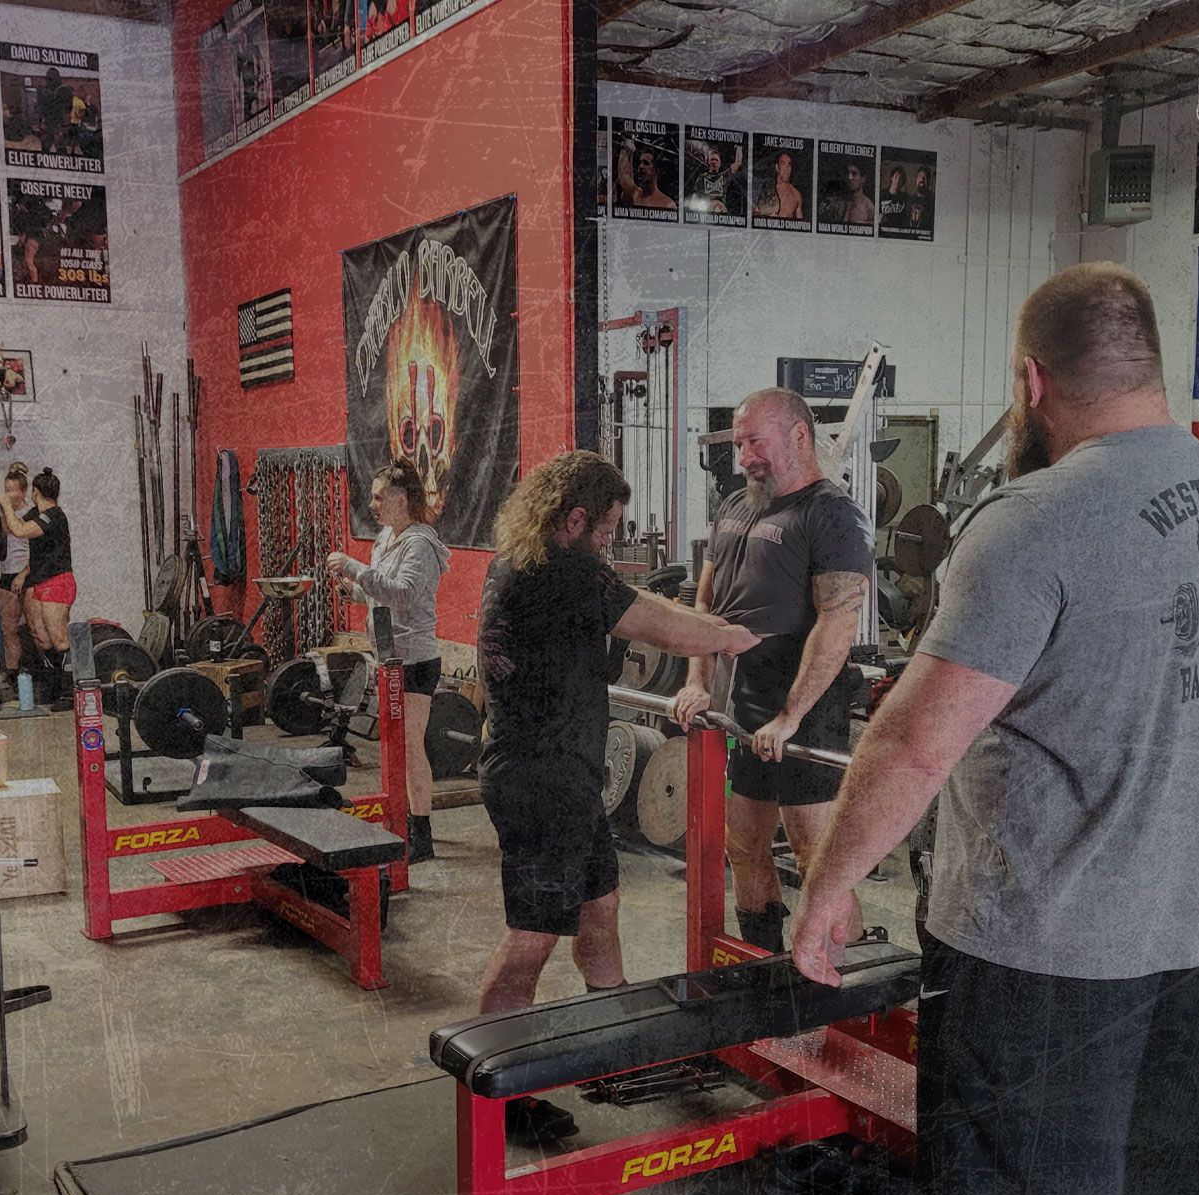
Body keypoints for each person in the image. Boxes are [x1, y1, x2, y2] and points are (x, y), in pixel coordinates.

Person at [791, 264, 1199, 1195]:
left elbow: (913, 742)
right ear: (1149, 364)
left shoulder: (1032, 518)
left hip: (1045, 959)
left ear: (1032, 380)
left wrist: (829, 883)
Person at [475, 451, 758, 1140]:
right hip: (542, 782)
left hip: (563, 776)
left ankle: (612, 1048)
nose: (609, 541)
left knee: (599, 908)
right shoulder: (561, 567)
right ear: (575, 519)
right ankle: (496, 1095)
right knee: (533, 936)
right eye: (606, 529)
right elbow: (658, 624)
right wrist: (729, 635)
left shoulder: (522, 558)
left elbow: (631, 609)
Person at [670, 388, 871, 955]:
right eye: (739, 445)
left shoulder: (831, 514)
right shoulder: (735, 507)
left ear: (799, 436)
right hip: (748, 695)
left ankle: (851, 975)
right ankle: (767, 968)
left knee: (815, 858)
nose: (744, 458)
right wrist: (696, 681)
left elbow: (837, 620)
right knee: (743, 844)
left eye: (755, 443)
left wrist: (791, 715)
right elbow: (705, 606)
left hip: (807, 702)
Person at [327, 458, 452, 861]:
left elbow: (404, 594)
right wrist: (353, 590)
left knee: (411, 747)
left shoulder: (420, 544)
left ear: (401, 498)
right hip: (389, 657)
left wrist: (354, 568)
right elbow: (380, 591)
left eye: (380, 497)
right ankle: (401, 820)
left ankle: (422, 836)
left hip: (415, 662)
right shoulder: (385, 538)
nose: (373, 504)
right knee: (394, 747)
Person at [0, 468, 75, 708]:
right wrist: (5, 510)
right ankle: (54, 688)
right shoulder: (37, 513)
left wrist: (5, 503)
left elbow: (21, 531)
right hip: (40, 581)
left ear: (35, 492)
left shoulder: (53, 516)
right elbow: (12, 528)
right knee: (42, 638)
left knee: (58, 637)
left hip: (58, 581)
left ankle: (69, 693)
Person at [0, 462, 35, 695]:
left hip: (26, 572)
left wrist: (23, 574)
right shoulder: (3, 514)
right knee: (8, 628)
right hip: (7, 573)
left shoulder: (30, 515)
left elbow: (38, 553)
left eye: (13, 491)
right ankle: (12, 674)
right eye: (6, 490)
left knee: (33, 627)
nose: (8, 495)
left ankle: (37, 672)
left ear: (23, 491)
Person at [614, 139, 676, 211]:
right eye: (640, 163)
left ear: (657, 171)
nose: (640, 166)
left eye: (646, 163)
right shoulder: (635, 194)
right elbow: (624, 177)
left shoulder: (667, 204)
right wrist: (625, 150)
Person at [686, 142, 743, 215]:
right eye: (712, 159)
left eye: (716, 160)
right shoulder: (702, 177)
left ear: (719, 163)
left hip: (721, 209)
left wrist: (739, 148)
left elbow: (738, 163)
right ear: (708, 162)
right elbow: (695, 195)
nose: (714, 162)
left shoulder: (724, 176)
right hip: (707, 210)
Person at [756, 151, 803, 219]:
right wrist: (768, 216)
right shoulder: (768, 190)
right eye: (783, 164)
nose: (786, 169)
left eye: (789, 165)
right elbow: (755, 213)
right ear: (777, 167)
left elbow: (801, 222)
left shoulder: (796, 195)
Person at [843, 161, 874, 225]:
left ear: (863, 179)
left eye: (854, 173)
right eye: (847, 173)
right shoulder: (840, 202)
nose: (850, 177)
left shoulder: (868, 208)